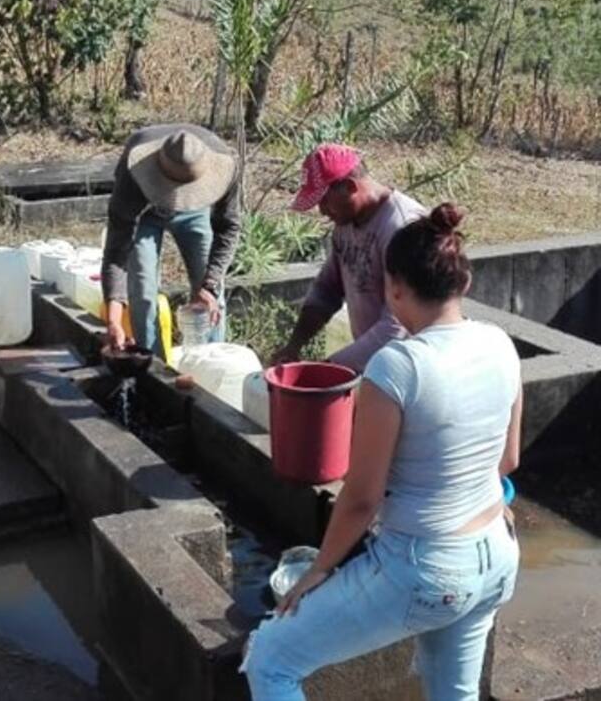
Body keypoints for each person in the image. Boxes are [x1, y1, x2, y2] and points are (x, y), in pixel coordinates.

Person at [241, 204, 522, 700]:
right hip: (496, 557)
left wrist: (317, 572)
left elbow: (361, 498)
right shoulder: (500, 343)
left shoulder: (397, 366)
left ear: (393, 290)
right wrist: (491, 505)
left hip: (425, 566)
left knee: (270, 659)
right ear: (465, 282)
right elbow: (508, 461)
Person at [273, 144, 426, 373]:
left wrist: (327, 370)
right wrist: (294, 346)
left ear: (350, 186)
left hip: (409, 368)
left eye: (324, 201)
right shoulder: (345, 224)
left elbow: (398, 326)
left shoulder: (404, 228)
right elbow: (327, 290)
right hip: (374, 366)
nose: (322, 211)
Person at [100, 124, 241, 357]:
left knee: (212, 297)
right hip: (145, 213)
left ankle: (209, 364)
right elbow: (117, 252)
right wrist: (113, 321)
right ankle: (154, 368)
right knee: (142, 291)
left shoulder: (224, 165)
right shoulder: (133, 172)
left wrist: (210, 285)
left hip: (195, 211)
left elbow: (228, 227)